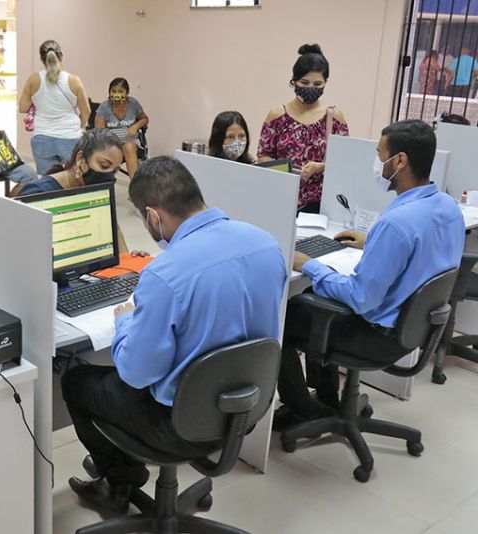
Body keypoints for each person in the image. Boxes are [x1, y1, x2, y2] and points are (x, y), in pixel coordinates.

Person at [63, 156, 287, 513]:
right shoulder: (266, 243)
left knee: (76, 380)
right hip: (244, 409)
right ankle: (120, 473)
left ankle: (120, 478)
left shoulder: (166, 273)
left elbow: (137, 374)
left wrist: (125, 322)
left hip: (178, 423)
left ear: (153, 216)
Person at [276, 120, 465, 428]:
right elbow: (422, 256)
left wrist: (306, 264)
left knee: (287, 314)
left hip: (378, 338)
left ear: (400, 161)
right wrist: (373, 243)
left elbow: (360, 298)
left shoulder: (397, 223)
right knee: (314, 298)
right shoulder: (447, 207)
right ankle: (329, 401)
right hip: (414, 330)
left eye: (380, 156)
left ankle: (303, 410)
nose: (378, 165)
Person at [258, 44, 350, 213]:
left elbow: (344, 162)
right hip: (280, 197)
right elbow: (263, 156)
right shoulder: (277, 115)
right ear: (294, 81)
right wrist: (286, 168)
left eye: (317, 84)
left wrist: (320, 167)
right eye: (305, 82)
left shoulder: (334, 116)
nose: (311, 88)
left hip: (321, 203)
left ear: (325, 83)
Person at [18, 40, 90, 174]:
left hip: (42, 138)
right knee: (72, 179)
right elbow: (86, 111)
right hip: (70, 137)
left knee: (48, 181)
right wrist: (79, 126)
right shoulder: (74, 80)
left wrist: (39, 101)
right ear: (61, 56)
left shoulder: (34, 79)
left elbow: (22, 107)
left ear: (41, 58)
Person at [94, 77, 149, 177]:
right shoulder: (104, 107)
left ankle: (135, 186)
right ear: (109, 93)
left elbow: (145, 119)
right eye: (113, 91)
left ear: (127, 93)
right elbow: (99, 132)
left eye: (120, 91)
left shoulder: (133, 104)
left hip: (131, 142)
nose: (117, 94)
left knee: (128, 146)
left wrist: (135, 126)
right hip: (111, 144)